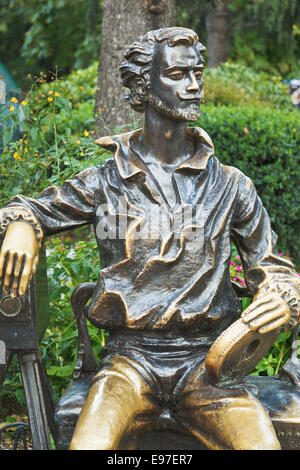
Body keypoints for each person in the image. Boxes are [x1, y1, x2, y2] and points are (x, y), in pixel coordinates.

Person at [0, 27, 299, 450]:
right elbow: (34, 208)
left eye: (197, 73)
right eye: (177, 75)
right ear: (144, 85)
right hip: (128, 363)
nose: (193, 85)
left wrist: (281, 296)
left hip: (209, 367)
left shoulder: (231, 186)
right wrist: (20, 224)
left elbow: (273, 267)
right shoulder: (104, 181)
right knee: (89, 445)